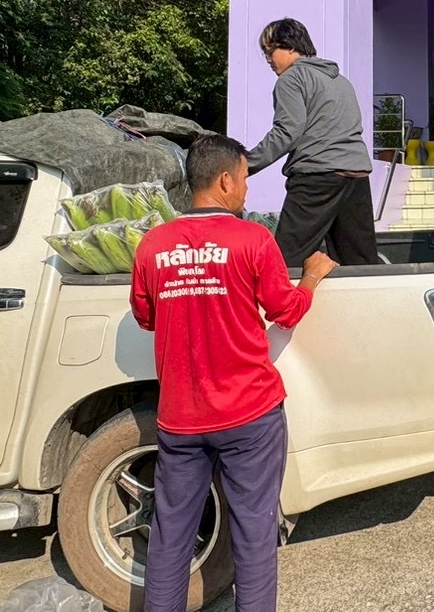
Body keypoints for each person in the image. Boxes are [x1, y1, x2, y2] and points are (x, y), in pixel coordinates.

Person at [132, 134, 337, 612]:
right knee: (254, 533)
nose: (246, 189)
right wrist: (311, 276)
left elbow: (146, 317)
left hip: (181, 418)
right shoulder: (252, 239)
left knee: (170, 535)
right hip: (250, 414)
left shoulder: (153, 245)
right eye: (244, 178)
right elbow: (285, 310)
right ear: (225, 181)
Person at [247, 18, 377, 268]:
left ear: (290, 46)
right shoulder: (340, 81)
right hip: (356, 176)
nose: (268, 59)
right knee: (359, 263)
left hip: (316, 178)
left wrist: (246, 164)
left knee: (286, 261)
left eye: (270, 51)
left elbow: (288, 131)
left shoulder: (291, 79)